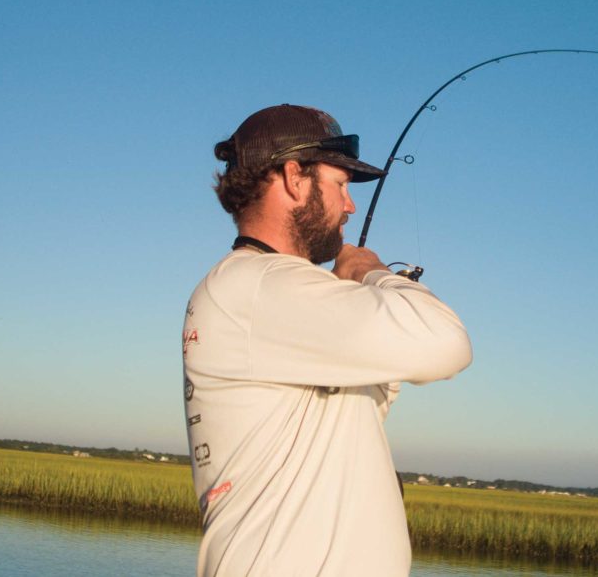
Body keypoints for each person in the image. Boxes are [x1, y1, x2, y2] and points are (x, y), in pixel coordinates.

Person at [182, 104, 472, 577]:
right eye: (340, 184)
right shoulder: (260, 287)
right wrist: (371, 272)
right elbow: (446, 343)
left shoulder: (273, 296)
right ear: (295, 178)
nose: (350, 205)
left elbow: (356, 415)